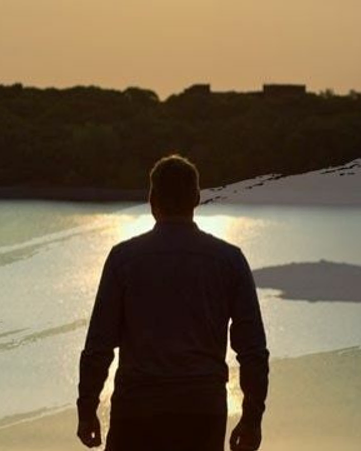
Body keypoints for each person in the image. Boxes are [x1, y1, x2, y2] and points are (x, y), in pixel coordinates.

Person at [76, 155, 270, 451]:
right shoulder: (230, 261)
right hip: (202, 412)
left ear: (152, 198)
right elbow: (252, 350)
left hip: (137, 411)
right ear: (196, 197)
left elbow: (99, 346)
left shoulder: (123, 259)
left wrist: (87, 408)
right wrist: (252, 418)